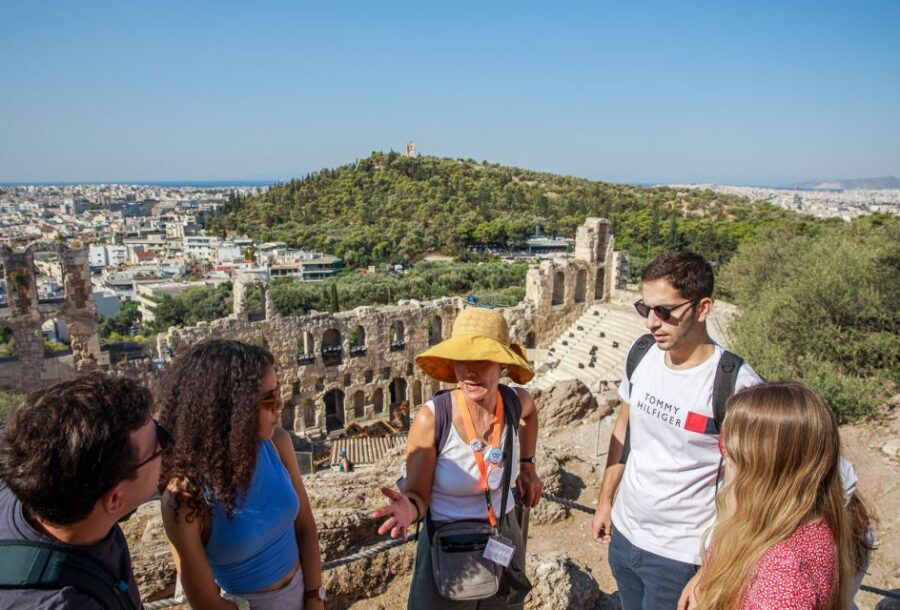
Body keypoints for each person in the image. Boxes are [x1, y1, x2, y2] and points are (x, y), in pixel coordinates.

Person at [591, 250, 764, 609]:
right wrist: (606, 501)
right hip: (625, 535)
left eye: (665, 312)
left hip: (682, 555)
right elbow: (624, 431)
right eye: (646, 309)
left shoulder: (737, 386)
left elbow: (748, 488)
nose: (651, 323)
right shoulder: (642, 354)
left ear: (702, 309)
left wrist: (711, 567)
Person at [372, 307, 543, 609]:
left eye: (482, 360)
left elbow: (531, 414)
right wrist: (409, 511)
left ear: (502, 365)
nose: (470, 371)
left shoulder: (515, 403)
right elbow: (416, 494)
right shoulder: (433, 418)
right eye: (462, 361)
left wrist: (527, 465)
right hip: (448, 543)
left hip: (501, 534)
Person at [158, 339, 323, 610]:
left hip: (303, 592)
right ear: (232, 408)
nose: (280, 405)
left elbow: (305, 526)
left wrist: (315, 598)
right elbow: (205, 601)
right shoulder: (186, 496)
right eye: (269, 399)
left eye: (278, 393)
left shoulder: (277, 443)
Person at [677, 382, 853, 609]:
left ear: (764, 466)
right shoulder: (782, 517)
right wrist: (705, 575)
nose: (724, 456)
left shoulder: (786, 579)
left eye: (729, 447)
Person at [0, 372, 167, 609]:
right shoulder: (64, 603)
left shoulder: (32, 471)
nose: (166, 445)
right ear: (115, 498)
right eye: (158, 445)